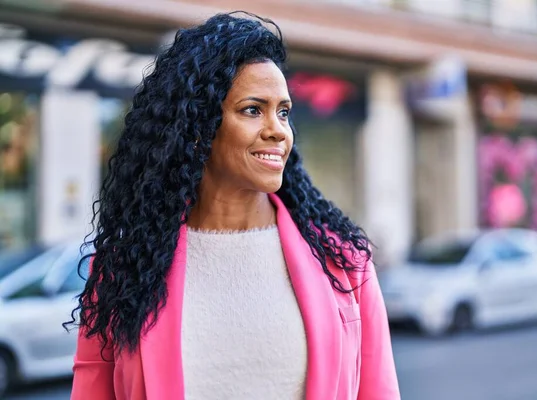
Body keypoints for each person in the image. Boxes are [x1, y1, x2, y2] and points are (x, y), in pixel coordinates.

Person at [67, 11, 401, 400]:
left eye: (284, 112)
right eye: (253, 109)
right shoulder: (124, 267)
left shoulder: (344, 261)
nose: (279, 129)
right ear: (197, 129)